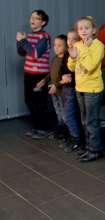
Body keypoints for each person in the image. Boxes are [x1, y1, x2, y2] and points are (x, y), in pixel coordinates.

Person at [68, 16, 105, 163]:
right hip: (80, 87)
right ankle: (89, 147)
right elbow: (71, 67)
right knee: (84, 120)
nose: (83, 31)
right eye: (80, 28)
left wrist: (83, 49)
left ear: (94, 30)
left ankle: (95, 149)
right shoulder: (77, 44)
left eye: (87, 28)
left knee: (91, 121)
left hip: (93, 89)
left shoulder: (98, 46)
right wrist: (72, 57)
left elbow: (90, 66)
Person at [16, 10, 53, 139]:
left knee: (39, 102)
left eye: (37, 18)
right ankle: (37, 127)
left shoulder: (44, 36)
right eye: (32, 17)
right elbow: (22, 52)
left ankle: (44, 128)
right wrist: (20, 41)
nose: (33, 20)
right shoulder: (30, 35)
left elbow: (35, 54)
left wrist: (24, 41)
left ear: (43, 22)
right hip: (29, 73)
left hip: (39, 75)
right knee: (29, 99)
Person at [36, 34, 68, 141]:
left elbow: (65, 78)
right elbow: (51, 74)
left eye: (60, 45)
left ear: (66, 47)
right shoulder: (54, 59)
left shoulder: (66, 60)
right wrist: (44, 80)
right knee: (57, 109)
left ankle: (66, 130)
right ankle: (60, 127)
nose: (56, 47)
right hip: (53, 91)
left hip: (61, 90)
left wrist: (57, 85)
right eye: (55, 45)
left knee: (64, 111)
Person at [59, 29, 81, 152]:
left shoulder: (78, 52)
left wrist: (70, 77)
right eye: (69, 39)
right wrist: (63, 75)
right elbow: (62, 68)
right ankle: (72, 135)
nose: (71, 41)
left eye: (74, 39)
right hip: (65, 88)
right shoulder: (67, 53)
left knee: (68, 114)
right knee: (66, 113)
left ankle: (76, 138)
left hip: (73, 87)